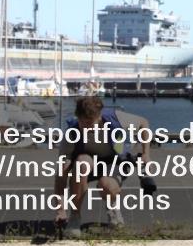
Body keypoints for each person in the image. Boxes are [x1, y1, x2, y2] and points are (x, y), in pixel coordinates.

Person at [53, 96, 156, 234]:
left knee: (106, 185)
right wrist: (60, 210)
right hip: (89, 162)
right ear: (77, 117)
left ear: (99, 117)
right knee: (81, 164)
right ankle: (75, 217)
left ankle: (113, 210)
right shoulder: (71, 135)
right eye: (83, 123)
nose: (87, 127)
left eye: (91, 123)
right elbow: (61, 177)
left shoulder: (116, 118)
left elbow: (144, 123)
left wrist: (146, 154)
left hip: (115, 161)